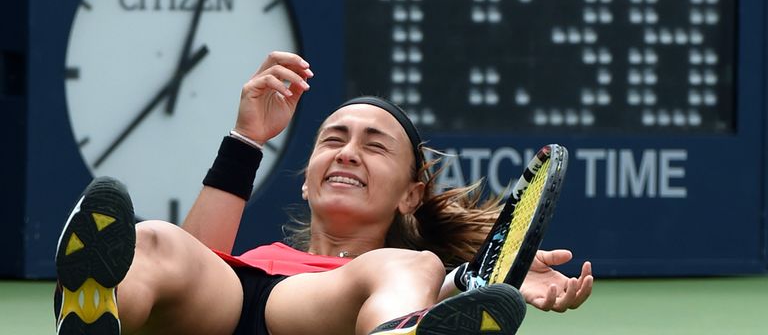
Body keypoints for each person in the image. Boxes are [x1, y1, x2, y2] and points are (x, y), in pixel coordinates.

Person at [53, 51, 593, 335]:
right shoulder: (254, 267)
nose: (347, 152)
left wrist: (479, 282)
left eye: (374, 146)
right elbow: (200, 263)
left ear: (411, 194)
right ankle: (94, 310)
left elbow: (431, 283)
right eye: (333, 140)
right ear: (308, 180)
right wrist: (246, 139)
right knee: (153, 242)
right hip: (229, 307)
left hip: (318, 313)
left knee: (411, 268)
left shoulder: (405, 272)